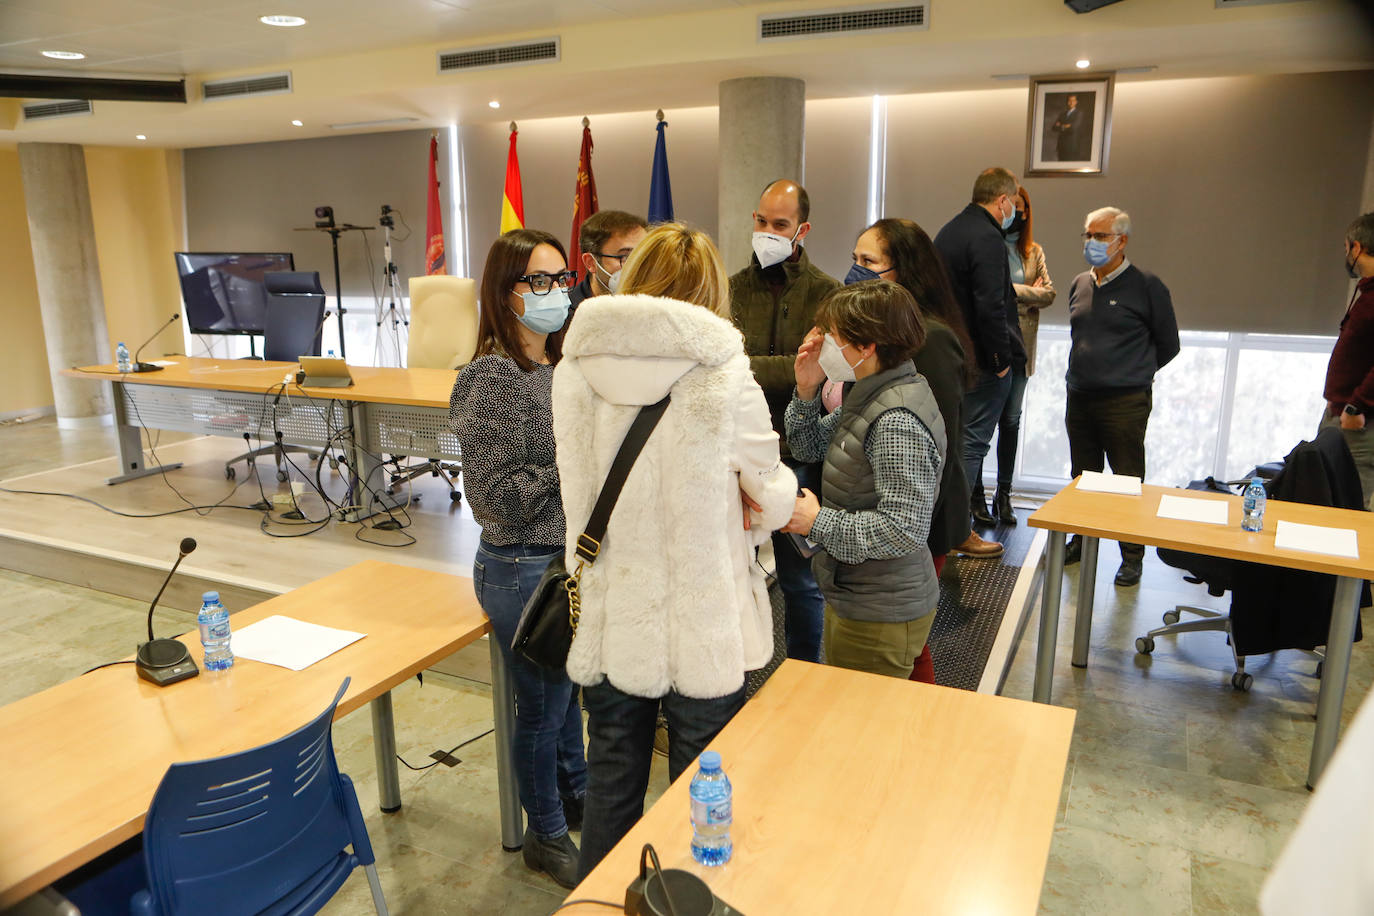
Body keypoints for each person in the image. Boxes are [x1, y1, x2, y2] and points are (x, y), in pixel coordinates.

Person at [555, 223, 797, 879]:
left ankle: (604, 899)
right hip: (704, 626)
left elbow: (577, 495)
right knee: (703, 800)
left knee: (610, 790)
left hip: (612, 620)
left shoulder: (573, 372)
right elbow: (771, 495)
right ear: (709, 291)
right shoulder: (726, 376)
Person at [447, 228, 585, 888]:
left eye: (562, 279)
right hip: (520, 565)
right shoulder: (494, 378)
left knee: (565, 700)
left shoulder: (559, 366)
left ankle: (575, 799)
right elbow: (496, 499)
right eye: (540, 281)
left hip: (562, 560)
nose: (557, 292)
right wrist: (572, 454)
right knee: (542, 708)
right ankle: (547, 836)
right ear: (507, 294)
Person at [782, 280, 945, 679]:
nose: (825, 347)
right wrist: (806, 390)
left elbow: (903, 529)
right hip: (860, 593)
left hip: (880, 609)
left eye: (834, 337)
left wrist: (816, 522)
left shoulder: (895, 421)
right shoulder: (872, 392)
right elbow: (807, 446)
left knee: (865, 731)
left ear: (867, 346)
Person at [847, 217, 976, 682]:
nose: (856, 271)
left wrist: (912, 524)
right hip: (882, 503)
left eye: (869, 263)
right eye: (854, 260)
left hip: (920, 512)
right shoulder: (879, 330)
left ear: (905, 271)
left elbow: (934, 443)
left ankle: (916, 739)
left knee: (906, 642)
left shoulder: (932, 337)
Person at [729, 179, 841, 661]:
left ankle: (803, 672)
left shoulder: (828, 294)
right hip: (735, 449)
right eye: (760, 221)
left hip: (797, 452)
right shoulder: (731, 288)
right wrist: (791, 371)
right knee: (730, 568)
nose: (767, 232)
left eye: (779, 225)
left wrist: (748, 364)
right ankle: (733, 666)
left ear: (802, 230)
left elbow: (824, 372)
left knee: (800, 579)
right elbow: (724, 366)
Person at [1064, 206, 1180, 587]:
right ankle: (1081, 539)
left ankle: (1132, 557)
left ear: (1122, 240)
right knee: (1082, 476)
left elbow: (1168, 345)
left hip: (1124, 402)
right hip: (1080, 396)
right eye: (1088, 235)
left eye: (1100, 236)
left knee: (1127, 481)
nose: (1092, 243)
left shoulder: (1147, 286)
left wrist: (1132, 373)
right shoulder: (1080, 283)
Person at [934, 166, 1023, 556]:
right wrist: (1001, 360)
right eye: (1014, 204)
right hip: (982, 363)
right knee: (970, 448)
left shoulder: (951, 230)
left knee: (952, 446)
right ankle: (957, 534)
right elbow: (992, 305)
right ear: (1003, 200)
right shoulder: (988, 237)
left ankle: (944, 530)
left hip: (952, 356)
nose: (1015, 213)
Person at [994, 185, 1057, 526]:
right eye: (1007, 207)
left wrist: (1010, 291)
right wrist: (1025, 296)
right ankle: (975, 492)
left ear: (1026, 212)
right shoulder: (988, 247)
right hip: (990, 346)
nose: (1012, 214)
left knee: (1011, 421)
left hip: (1021, 349)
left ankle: (1003, 494)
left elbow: (1049, 293)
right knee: (983, 423)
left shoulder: (1033, 252)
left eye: (1018, 208)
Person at [1320, 211, 1374, 509]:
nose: (1345, 255)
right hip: (1342, 415)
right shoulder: (1366, 290)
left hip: (1358, 422)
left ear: (1357, 247)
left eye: (1346, 247)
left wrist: (1357, 405)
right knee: (1324, 499)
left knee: (1351, 509)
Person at [568, 209, 648, 312]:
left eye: (643, 255)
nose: (637, 266)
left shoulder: (655, 307)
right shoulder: (566, 318)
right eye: (626, 257)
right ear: (591, 263)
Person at [1052, 94, 1084, 161]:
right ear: (1067, 102)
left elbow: (1073, 128)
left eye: (1073, 100)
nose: (1071, 102)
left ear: (1076, 102)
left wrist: (1061, 126)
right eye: (1069, 100)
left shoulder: (1079, 114)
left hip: (1072, 145)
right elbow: (1054, 128)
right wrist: (1066, 126)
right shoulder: (1062, 114)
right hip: (1061, 145)